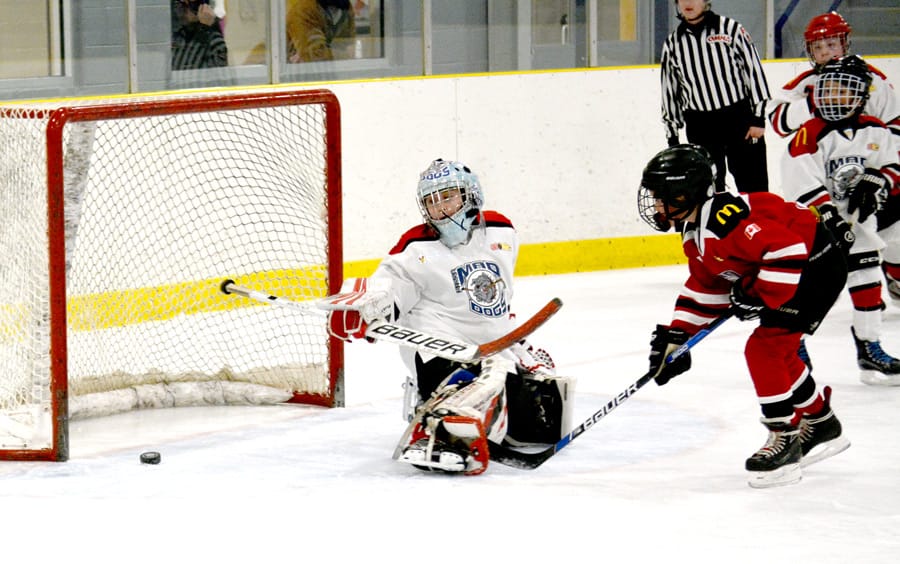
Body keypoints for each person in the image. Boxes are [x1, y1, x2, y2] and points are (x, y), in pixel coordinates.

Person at [320, 159, 573, 475]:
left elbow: (496, 297)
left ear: (471, 195)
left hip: (495, 347)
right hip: (438, 348)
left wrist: (516, 342)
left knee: (535, 426)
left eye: (448, 196)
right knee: (475, 387)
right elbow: (388, 285)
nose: (440, 208)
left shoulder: (502, 231)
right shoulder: (415, 247)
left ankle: (471, 406)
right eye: (431, 201)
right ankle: (437, 418)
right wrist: (364, 307)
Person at [638, 143, 850, 488]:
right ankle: (821, 422)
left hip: (814, 266)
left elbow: (786, 249)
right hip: (797, 266)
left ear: (685, 192)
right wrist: (678, 336)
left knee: (764, 349)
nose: (656, 205)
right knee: (778, 351)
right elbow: (708, 284)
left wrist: (756, 294)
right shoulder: (696, 230)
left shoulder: (723, 222)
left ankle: (784, 437)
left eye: (662, 196)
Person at [780, 55, 900, 385]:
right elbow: (800, 181)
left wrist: (878, 181)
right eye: (829, 90)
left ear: (862, 96)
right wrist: (829, 215)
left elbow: (890, 163)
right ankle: (793, 344)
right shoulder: (810, 134)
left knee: (867, 277)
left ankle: (869, 346)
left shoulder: (875, 129)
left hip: (859, 223)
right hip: (815, 227)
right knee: (805, 288)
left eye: (844, 91)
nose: (835, 97)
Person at [659, 0, 771, 193]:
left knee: (755, 189)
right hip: (701, 126)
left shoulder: (731, 29)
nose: (688, 3)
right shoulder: (673, 43)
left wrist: (758, 117)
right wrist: (673, 137)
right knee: (709, 192)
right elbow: (670, 90)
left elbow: (753, 71)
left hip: (739, 120)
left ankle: (760, 222)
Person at [768, 11, 900, 139]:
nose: (824, 52)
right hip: (822, 157)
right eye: (817, 47)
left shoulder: (872, 79)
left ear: (844, 44)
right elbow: (778, 124)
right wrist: (811, 103)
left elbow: (894, 123)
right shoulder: (805, 83)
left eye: (831, 45)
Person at [171, 0, 229, 71]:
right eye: (178, 4)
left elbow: (190, 67)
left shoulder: (214, 40)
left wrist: (204, 29)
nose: (181, 10)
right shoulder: (177, 38)